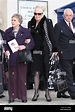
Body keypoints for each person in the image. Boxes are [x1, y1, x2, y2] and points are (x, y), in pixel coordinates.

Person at [28, 5, 59, 102]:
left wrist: (55, 49)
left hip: (45, 50)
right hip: (35, 50)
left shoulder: (47, 22)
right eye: (35, 13)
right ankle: (36, 92)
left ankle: (47, 92)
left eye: (39, 14)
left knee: (45, 71)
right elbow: (29, 35)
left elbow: (52, 35)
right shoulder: (31, 23)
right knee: (36, 72)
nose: (36, 15)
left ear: (42, 14)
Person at [3, 13, 35, 103]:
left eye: (14, 20)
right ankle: (12, 96)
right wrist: (6, 50)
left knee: (22, 78)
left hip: (22, 58)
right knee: (12, 77)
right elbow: (5, 44)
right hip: (12, 57)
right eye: (12, 20)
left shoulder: (25, 31)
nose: (12, 22)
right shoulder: (8, 31)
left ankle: (23, 96)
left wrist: (24, 46)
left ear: (19, 22)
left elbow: (32, 43)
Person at [54, 8, 75, 99]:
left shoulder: (74, 24)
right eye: (67, 15)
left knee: (66, 74)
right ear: (63, 16)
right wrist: (56, 52)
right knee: (68, 74)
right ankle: (73, 94)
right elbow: (55, 40)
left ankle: (61, 92)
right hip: (64, 53)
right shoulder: (59, 25)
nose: (69, 17)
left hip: (74, 52)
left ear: (73, 16)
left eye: (70, 15)